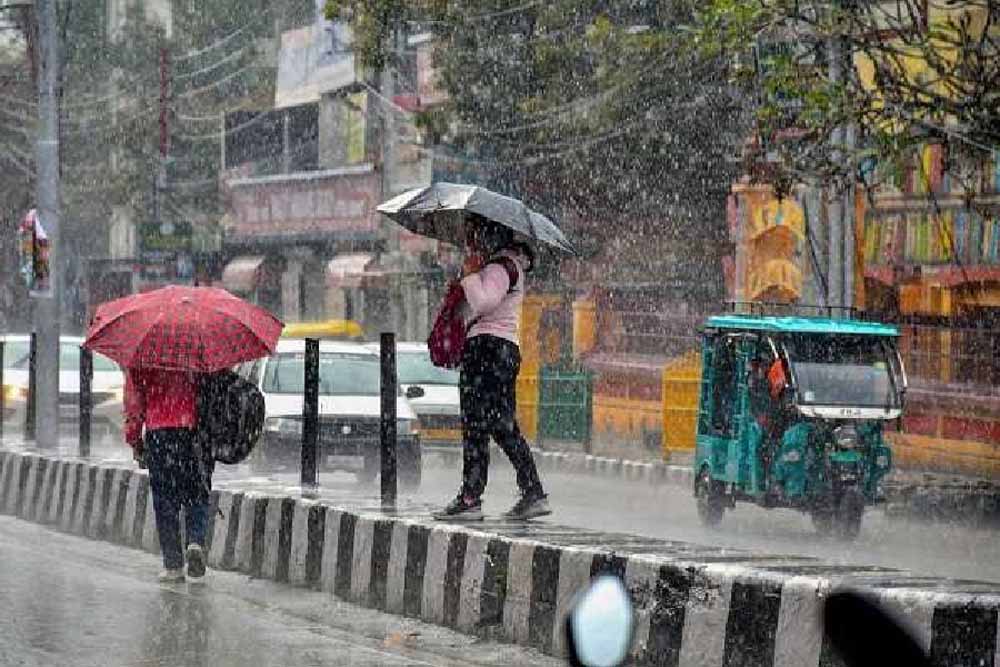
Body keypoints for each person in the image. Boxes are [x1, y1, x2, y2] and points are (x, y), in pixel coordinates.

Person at [433, 215, 551, 521]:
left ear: (490, 235)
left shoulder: (501, 267)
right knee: (501, 425)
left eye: (475, 234)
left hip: (489, 349)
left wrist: (471, 276)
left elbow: (485, 302)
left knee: (477, 424)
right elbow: (473, 307)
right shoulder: (501, 265)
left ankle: (471, 497)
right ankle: (532, 492)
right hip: (496, 350)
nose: (471, 241)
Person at [125, 367, 213, 583]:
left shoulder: (143, 358)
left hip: (159, 435)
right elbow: (212, 391)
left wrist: (135, 440)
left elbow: (134, 406)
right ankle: (195, 540)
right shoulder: (197, 356)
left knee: (165, 500)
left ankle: (173, 565)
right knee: (197, 491)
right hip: (193, 432)